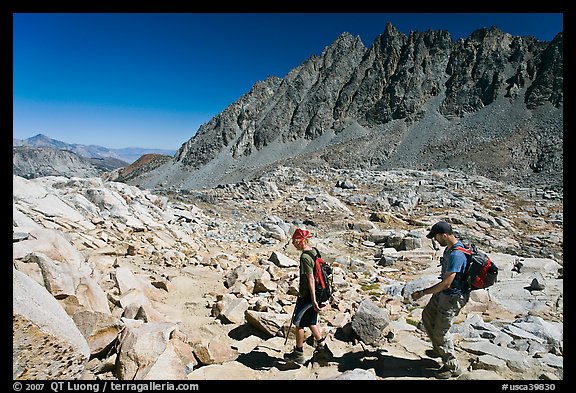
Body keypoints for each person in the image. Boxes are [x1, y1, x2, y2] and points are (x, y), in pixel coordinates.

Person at [411, 221, 470, 379]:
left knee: (440, 332)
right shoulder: (449, 250)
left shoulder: (457, 254)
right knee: (427, 317)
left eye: (436, 237)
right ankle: (440, 350)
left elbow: (446, 283)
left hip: (452, 297)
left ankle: (452, 366)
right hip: (443, 295)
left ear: (444, 235)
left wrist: (423, 292)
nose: (435, 240)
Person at [283, 228, 331, 365]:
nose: (293, 244)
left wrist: (313, 299)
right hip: (320, 292)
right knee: (311, 321)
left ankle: (298, 353)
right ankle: (324, 349)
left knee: (298, 323)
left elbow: (310, 278)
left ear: (299, 241)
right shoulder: (314, 251)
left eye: (294, 241)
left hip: (308, 295)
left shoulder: (304, 257)